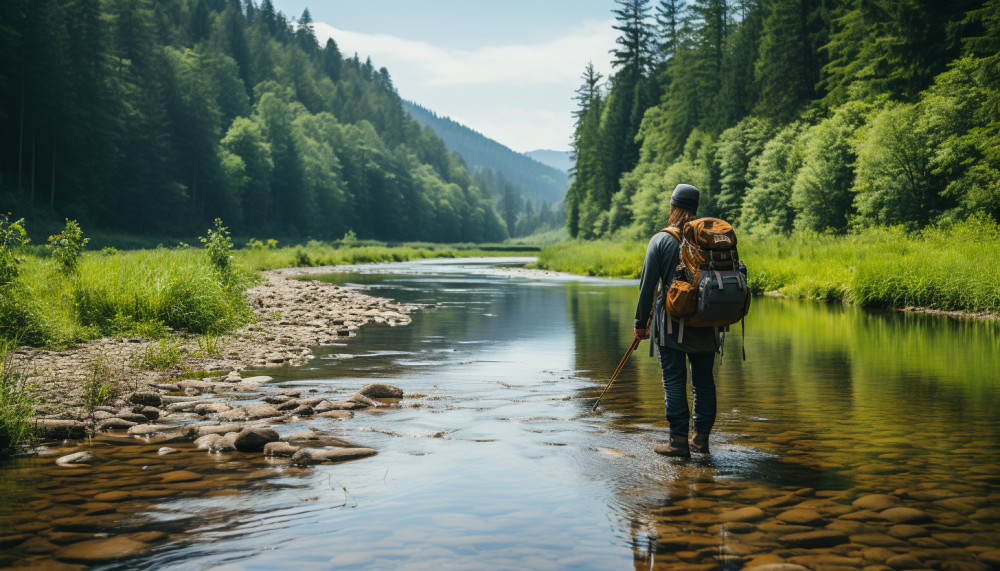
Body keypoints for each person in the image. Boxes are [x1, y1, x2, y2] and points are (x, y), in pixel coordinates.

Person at [634, 183, 718, 457]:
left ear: (672, 207)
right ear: (695, 209)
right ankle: (701, 441)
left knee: (674, 380)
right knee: (704, 381)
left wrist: (640, 324)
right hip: (708, 322)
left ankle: (678, 442)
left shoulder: (661, 240)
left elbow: (647, 287)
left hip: (671, 324)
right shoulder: (710, 239)